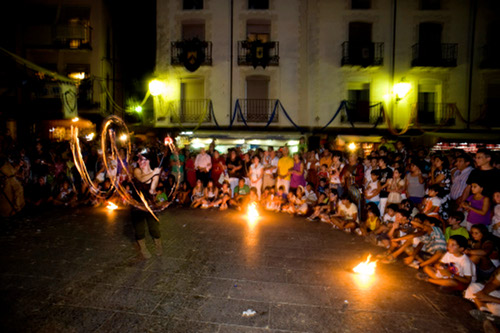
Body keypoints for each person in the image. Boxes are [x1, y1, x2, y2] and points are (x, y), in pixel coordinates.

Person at [131, 148, 163, 259]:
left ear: (148, 160)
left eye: (142, 159)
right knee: (139, 230)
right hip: (137, 205)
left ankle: (158, 246)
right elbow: (141, 179)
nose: (139, 162)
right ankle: (143, 249)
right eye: (138, 160)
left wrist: (155, 194)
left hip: (149, 205)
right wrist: (154, 173)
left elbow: (151, 190)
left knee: (154, 228)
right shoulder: (137, 171)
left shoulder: (155, 174)